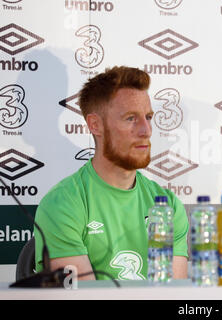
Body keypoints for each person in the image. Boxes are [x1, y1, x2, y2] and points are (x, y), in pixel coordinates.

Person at [34, 66, 189, 280]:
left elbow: (175, 294)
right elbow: (83, 299)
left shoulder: (168, 204)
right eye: (130, 118)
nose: (146, 130)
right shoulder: (63, 204)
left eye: (148, 117)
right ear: (95, 125)